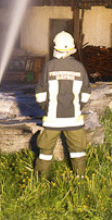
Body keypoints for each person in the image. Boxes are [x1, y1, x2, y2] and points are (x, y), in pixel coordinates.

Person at [34, 31, 91, 179]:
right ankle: (80, 179)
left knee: (45, 151)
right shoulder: (79, 67)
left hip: (52, 119)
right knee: (78, 151)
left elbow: (40, 92)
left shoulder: (49, 66)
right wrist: (78, 107)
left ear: (56, 47)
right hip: (74, 120)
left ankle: (41, 180)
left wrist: (45, 108)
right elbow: (86, 92)